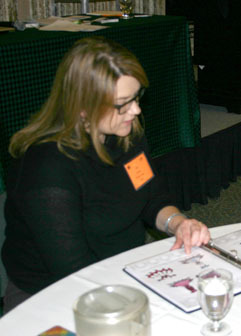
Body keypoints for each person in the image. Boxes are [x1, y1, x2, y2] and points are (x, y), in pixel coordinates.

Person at [1, 36, 210, 313]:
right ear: (83, 107)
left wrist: (178, 222)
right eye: (123, 103)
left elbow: (151, 196)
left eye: (136, 98)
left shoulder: (127, 135)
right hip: (50, 295)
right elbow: (73, 270)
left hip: (118, 271)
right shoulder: (47, 167)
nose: (135, 110)